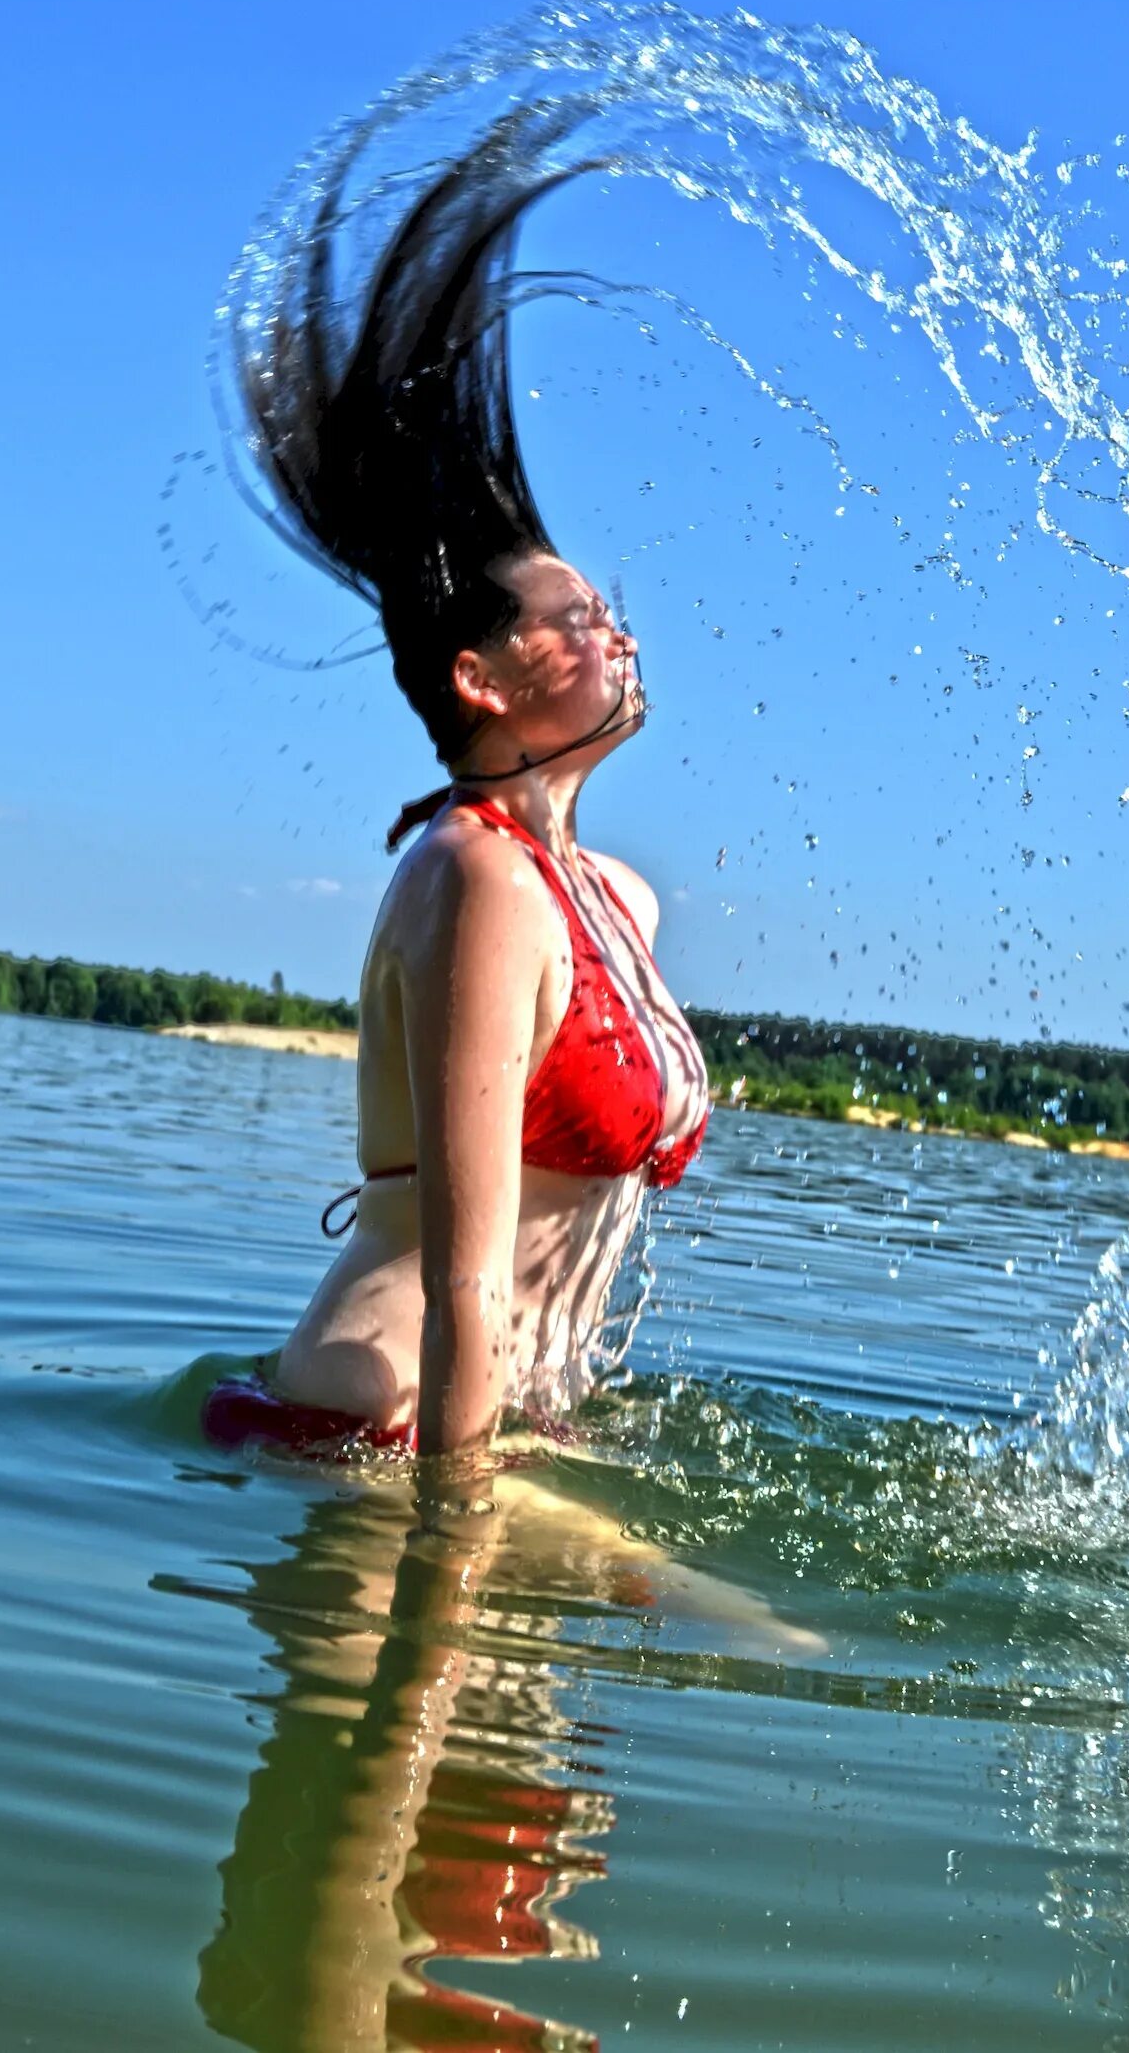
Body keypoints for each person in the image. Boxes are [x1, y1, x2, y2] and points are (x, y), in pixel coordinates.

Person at [202, 102, 709, 1461]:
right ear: (482, 682)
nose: (617, 634)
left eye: (612, 610)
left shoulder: (619, 901)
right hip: (389, 1426)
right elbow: (468, 1279)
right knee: (769, 1643)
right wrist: (456, 1557)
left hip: (503, 1425)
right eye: (574, 620)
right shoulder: (476, 874)